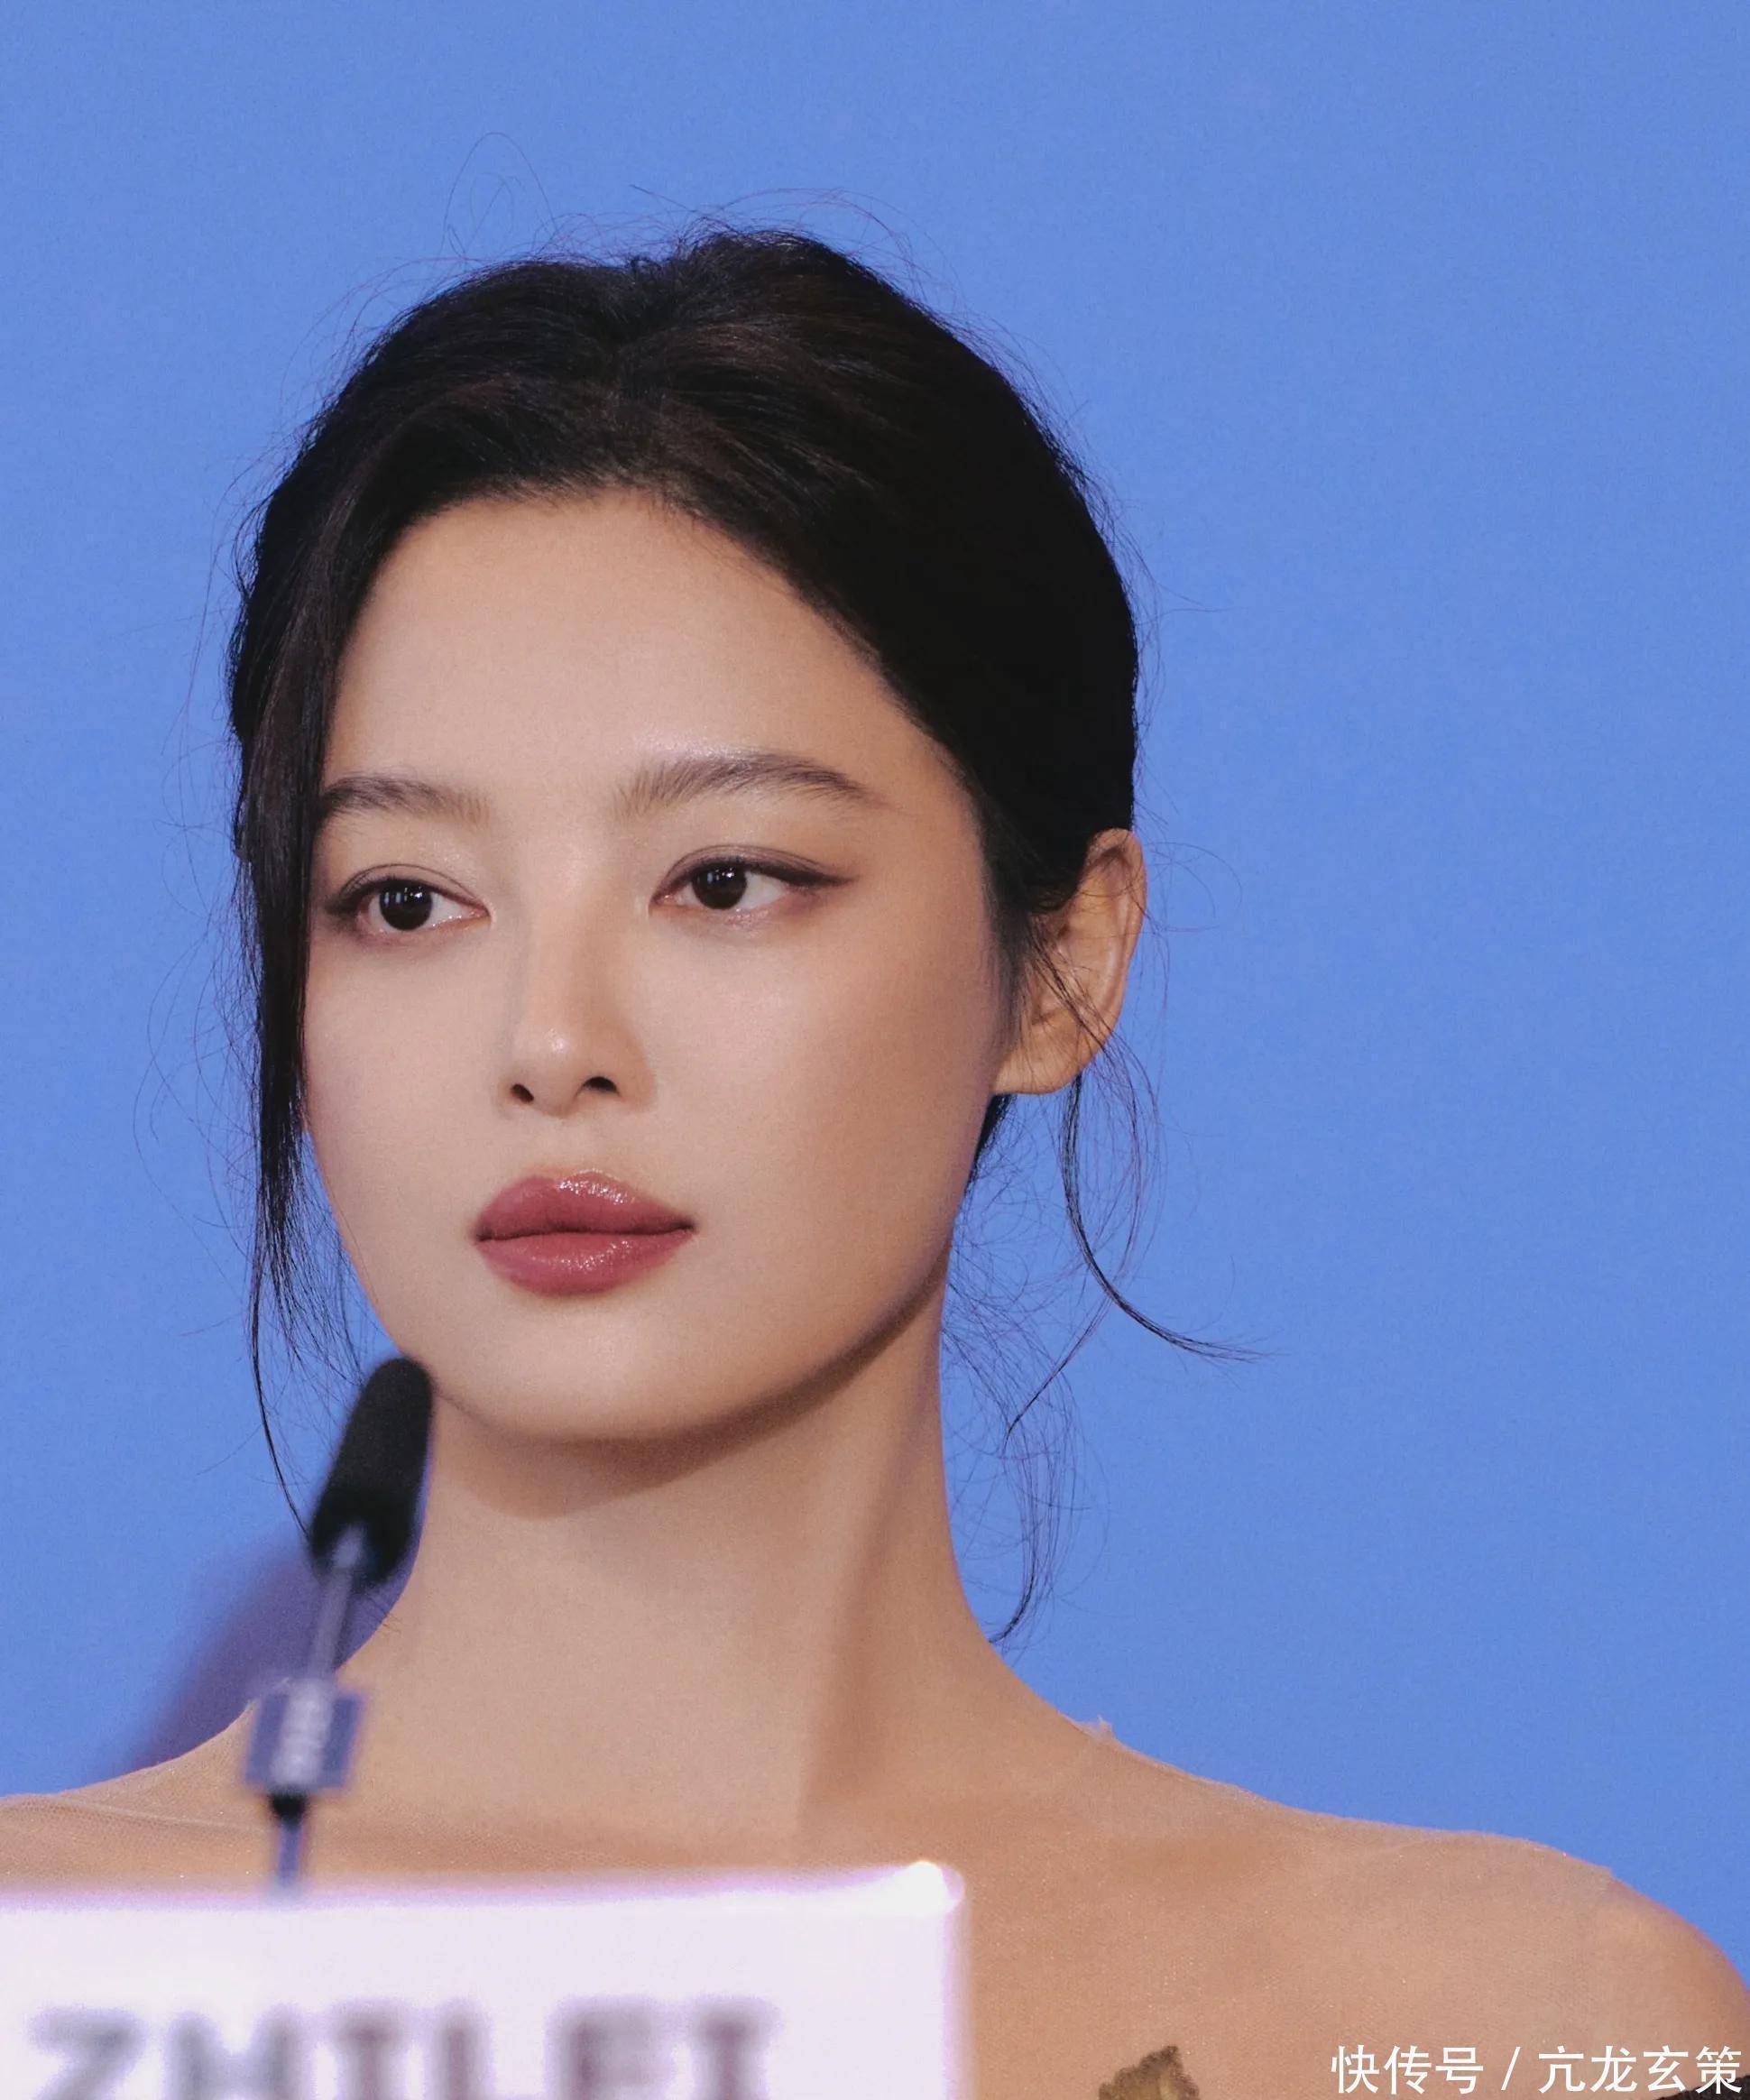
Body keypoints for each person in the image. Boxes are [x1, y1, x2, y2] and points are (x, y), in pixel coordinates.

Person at [0, 225, 1744, 2100]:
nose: (551, 1041)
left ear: (1062, 964)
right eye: (408, 900)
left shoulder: (1531, 2028)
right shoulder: (49, 1975)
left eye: (726, 881)